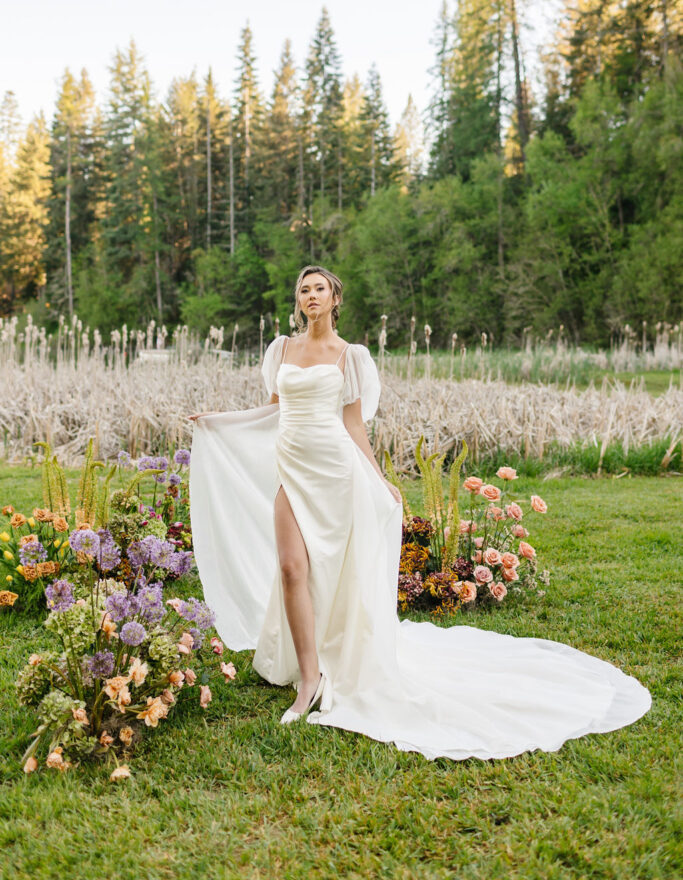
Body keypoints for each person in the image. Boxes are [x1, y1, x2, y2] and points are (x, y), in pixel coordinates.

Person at [188, 265, 651, 760]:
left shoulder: (350, 356)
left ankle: (322, 674)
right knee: (290, 568)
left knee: (330, 572)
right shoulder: (280, 349)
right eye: (304, 289)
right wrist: (216, 422)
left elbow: (353, 426)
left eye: (319, 288)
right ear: (298, 301)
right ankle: (309, 679)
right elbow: (274, 409)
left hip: (336, 472)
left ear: (335, 297)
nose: (310, 295)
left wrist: (381, 478)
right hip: (292, 471)